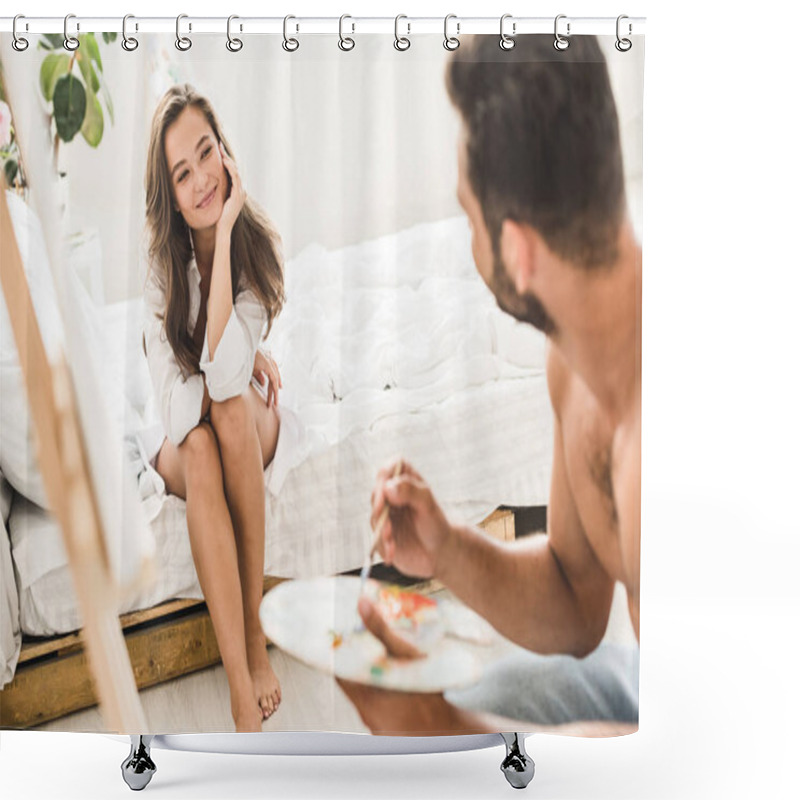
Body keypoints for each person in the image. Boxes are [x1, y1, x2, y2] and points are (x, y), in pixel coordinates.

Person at [339, 35, 642, 736]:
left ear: (516, 249)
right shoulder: (576, 367)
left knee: (458, 733)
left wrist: (440, 731)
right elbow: (574, 600)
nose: (465, 237)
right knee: (495, 688)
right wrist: (447, 547)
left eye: (467, 215)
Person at [143, 84, 285, 732]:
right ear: (169, 194)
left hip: (246, 422)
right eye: (183, 172)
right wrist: (228, 362)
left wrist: (226, 235)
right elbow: (177, 419)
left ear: (226, 155)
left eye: (208, 155)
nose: (202, 180)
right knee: (198, 444)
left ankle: (254, 642)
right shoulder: (158, 270)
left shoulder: (252, 246)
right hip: (193, 437)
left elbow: (227, 384)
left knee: (228, 414)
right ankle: (239, 681)